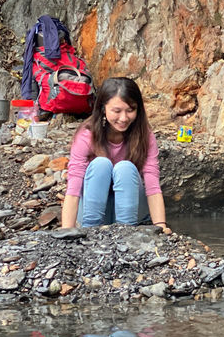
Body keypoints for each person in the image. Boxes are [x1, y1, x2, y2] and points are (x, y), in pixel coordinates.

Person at [61, 77, 171, 234]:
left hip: (132, 210)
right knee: (101, 164)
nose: (124, 118)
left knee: (124, 168)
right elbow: (73, 188)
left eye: (130, 110)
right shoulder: (87, 135)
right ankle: (91, 231)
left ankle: (126, 232)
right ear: (103, 108)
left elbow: (152, 185)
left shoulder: (144, 136)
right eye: (117, 111)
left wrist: (161, 226)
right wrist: (67, 231)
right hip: (92, 210)